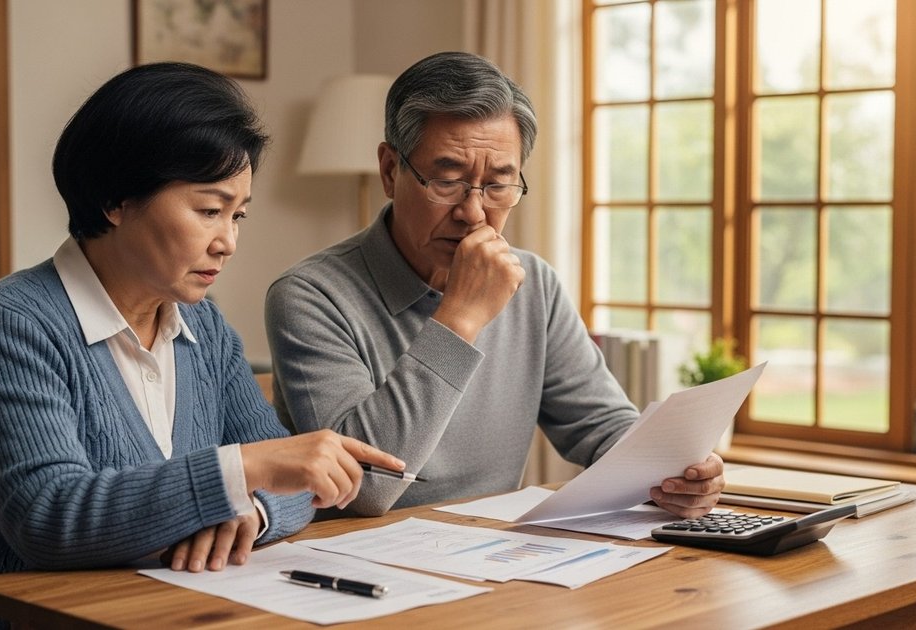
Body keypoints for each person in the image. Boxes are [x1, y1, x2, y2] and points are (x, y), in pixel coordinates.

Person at [0, 62, 404, 629]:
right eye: (209, 210)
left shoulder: (203, 328)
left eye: (238, 215)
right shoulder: (11, 323)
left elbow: (293, 483)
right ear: (117, 199)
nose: (229, 242)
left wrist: (252, 509)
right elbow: (48, 517)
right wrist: (241, 471)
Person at [264, 51, 724, 520]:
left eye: (499, 185)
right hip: (354, 561)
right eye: (446, 181)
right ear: (389, 171)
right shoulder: (308, 296)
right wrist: (461, 317)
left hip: (494, 555)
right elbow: (362, 489)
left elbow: (601, 425)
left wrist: (674, 472)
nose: (475, 213)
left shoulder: (534, 282)